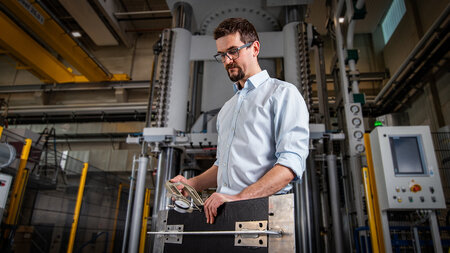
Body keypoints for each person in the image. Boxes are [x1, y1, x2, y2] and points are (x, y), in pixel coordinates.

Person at [171, 17, 309, 224]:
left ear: (254, 48)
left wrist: (238, 198)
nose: (227, 61)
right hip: (225, 212)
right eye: (222, 55)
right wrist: (190, 185)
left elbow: (289, 166)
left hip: (265, 213)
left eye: (233, 51)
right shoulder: (228, 109)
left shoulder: (283, 94)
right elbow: (223, 166)